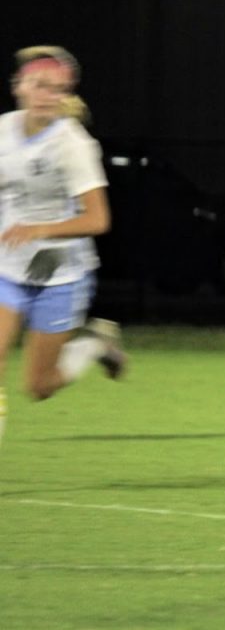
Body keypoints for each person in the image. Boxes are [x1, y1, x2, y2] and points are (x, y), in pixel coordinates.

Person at [0, 45, 126, 450]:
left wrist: (40, 229)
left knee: (38, 387)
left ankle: (93, 344)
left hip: (62, 273)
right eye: (39, 84)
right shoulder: (3, 130)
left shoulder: (74, 145)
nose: (46, 95)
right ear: (18, 86)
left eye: (56, 89)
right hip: (7, 265)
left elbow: (98, 220)